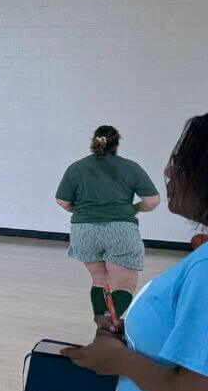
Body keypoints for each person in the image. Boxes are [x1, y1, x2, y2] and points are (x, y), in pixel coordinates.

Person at [64, 114, 208, 391]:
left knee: (102, 282)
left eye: (180, 162)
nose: (169, 172)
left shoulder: (205, 270)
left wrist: (119, 360)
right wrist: (132, 340)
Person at [55, 125, 160, 325]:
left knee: (99, 280)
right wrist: (134, 208)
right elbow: (152, 201)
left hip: (83, 232)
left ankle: (100, 322)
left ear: (94, 141)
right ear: (116, 144)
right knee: (124, 286)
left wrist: (80, 211)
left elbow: (62, 201)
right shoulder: (131, 167)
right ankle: (108, 325)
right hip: (121, 230)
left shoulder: (77, 167)